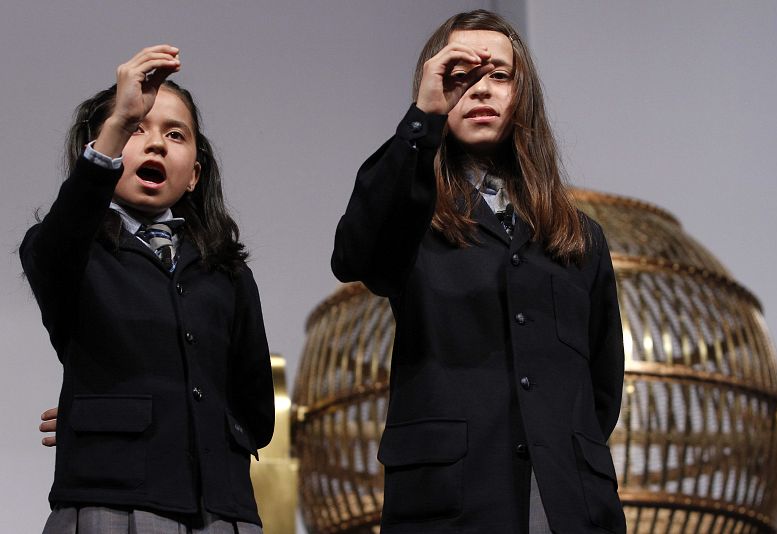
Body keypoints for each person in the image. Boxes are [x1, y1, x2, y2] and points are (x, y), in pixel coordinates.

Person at [331, 10, 626, 534]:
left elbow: (601, 387)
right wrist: (422, 116)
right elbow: (355, 255)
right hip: (450, 502)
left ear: (521, 95)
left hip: (567, 503)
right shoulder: (410, 216)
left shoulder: (580, 238)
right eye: (460, 75)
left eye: (499, 75)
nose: (481, 89)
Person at [21, 45, 274, 534]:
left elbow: (254, 404)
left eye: (175, 134)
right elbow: (60, 239)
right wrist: (118, 118)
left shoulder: (227, 271)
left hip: (223, 508)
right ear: (103, 151)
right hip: (112, 501)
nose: (156, 143)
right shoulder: (68, 248)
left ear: (195, 173)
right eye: (136, 129)